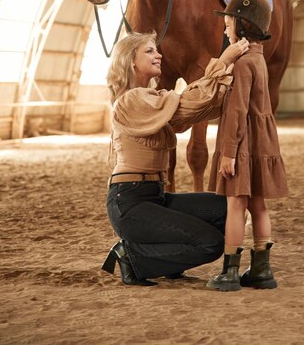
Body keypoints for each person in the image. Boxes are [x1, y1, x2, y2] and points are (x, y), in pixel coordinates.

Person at [102, 30, 249, 286]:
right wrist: (223, 62)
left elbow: (194, 108)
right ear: (130, 61)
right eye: (149, 51)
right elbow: (187, 102)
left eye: (156, 50)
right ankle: (131, 255)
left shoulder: (153, 100)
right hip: (129, 202)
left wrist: (227, 82)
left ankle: (168, 261)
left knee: (228, 208)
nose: (159, 55)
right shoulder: (131, 100)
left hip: (154, 196)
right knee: (210, 244)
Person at [207, 0, 289, 292]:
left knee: (235, 207)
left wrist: (228, 153)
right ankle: (262, 270)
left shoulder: (241, 64)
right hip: (261, 143)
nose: (224, 29)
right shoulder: (258, 59)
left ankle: (229, 272)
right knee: (259, 206)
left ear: (242, 25)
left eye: (228, 24)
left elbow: (238, 112)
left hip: (241, 145)